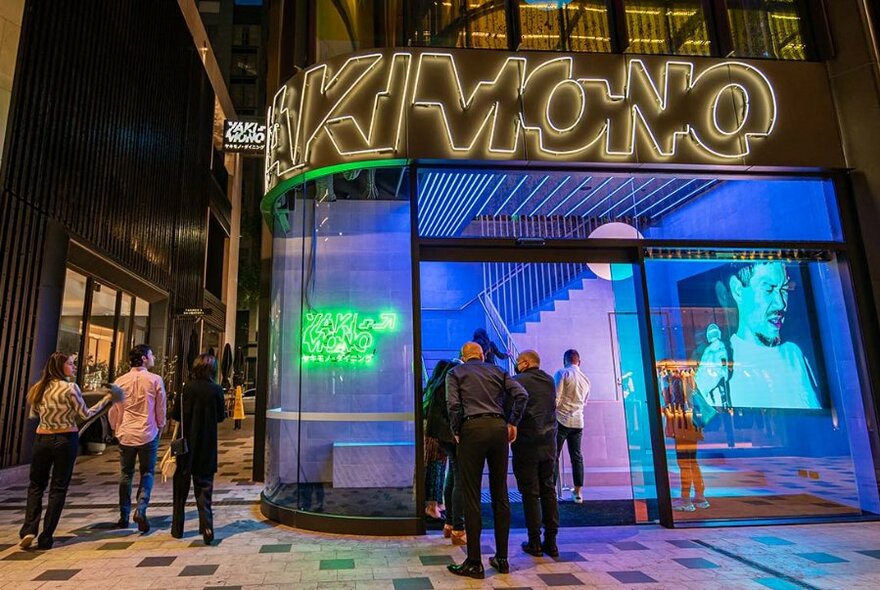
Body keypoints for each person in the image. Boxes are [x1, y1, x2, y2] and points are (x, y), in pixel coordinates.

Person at [19, 353, 121, 550]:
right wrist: (107, 400)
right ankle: (46, 536)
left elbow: (34, 414)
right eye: (71, 364)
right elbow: (85, 414)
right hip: (65, 439)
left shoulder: (38, 389)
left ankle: (29, 529)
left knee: (36, 486)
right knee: (58, 488)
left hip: (42, 438)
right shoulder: (70, 388)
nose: (74, 367)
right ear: (60, 367)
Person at [446, 342, 528, 579]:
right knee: (500, 493)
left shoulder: (456, 372)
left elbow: (453, 405)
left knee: (471, 495)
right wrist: (512, 421)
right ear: (482, 355)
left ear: (463, 357)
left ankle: (474, 562)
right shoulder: (497, 370)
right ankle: (502, 559)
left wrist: (457, 430)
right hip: (498, 427)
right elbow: (521, 394)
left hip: (472, 427)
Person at [695, 261, 820, 410]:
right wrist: (702, 389)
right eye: (768, 289)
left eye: (784, 289)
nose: (781, 303)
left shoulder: (795, 355)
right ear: (738, 290)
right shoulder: (720, 366)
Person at [110, 344, 167, 532]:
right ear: (143, 358)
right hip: (147, 432)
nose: (154, 358)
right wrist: (161, 424)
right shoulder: (155, 380)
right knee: (147, 472)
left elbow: (115, 410)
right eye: (151, 355)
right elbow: (160, 406)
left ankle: (123, 515)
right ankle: (141, 509)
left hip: (125, 433)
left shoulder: (119, 381)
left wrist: (116, 429)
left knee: (126, 474)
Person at [171, 353, 227, 545]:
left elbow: (176, 415)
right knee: (204, 489)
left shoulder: (186, 389)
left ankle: (177, 528)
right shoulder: (216, 390)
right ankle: (207, 526)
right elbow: (221, 416)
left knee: (180, 488)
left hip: (186, 445)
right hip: (207, 444)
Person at [511, 350, 560, 557]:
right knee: (548, 490)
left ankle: (534, 542)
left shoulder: (517, 381)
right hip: (549, 444)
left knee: (530, 493)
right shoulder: (549, 380)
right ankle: (552, 541)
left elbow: (512, 408)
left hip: (526, 444)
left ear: (525, 363)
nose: (516, 364)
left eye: (518, 361)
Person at [424, 359, 465, 545]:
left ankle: (441, 510)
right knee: (446, 473)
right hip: (443, 436)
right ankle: (441, 511)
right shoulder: (446, 386)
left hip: (436, 436)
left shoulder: (433, 387)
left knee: (445, 473)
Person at [553, 349, 591, 503]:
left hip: (561, 420)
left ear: (565, 360)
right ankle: (578, 493)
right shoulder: (586, 379)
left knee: (554, 455)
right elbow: (585, 402)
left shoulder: (562, 373)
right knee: (577, 457)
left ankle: (552, 491)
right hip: (578, 421)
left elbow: (556, 398)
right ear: (579, 361)